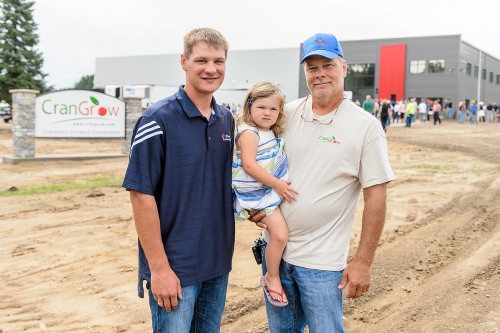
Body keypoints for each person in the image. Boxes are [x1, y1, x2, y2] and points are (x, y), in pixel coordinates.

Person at [249, 33, 395, 332]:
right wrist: (256, 207)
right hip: (275, 255)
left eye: (327, 65)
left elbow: (376, 197)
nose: (320, 74)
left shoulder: (365, 127)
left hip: (322, 264)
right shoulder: (283, 115)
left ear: (344, 68)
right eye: (312, 67)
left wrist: (363, 262)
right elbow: (257, 163)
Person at [122, 27, 235, 332]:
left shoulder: (226, 119)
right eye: (201, 60)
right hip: (175, 268)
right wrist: (159, 269)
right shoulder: (156, 119)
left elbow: (223, 184)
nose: (211, 69)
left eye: (218, 61)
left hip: (217, 262)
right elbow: (140, 195)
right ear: (184, 62)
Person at [232, 82, 298, 307]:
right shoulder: (249, 133)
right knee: (280, 235)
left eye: (273, 109)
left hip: (267, 190)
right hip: (259, 193)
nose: (267, 113)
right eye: (261, 107)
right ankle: (272, 276)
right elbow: (249, 166)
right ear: (249, 106)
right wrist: (277, 185)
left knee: (278, 235)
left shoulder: (270, 132)